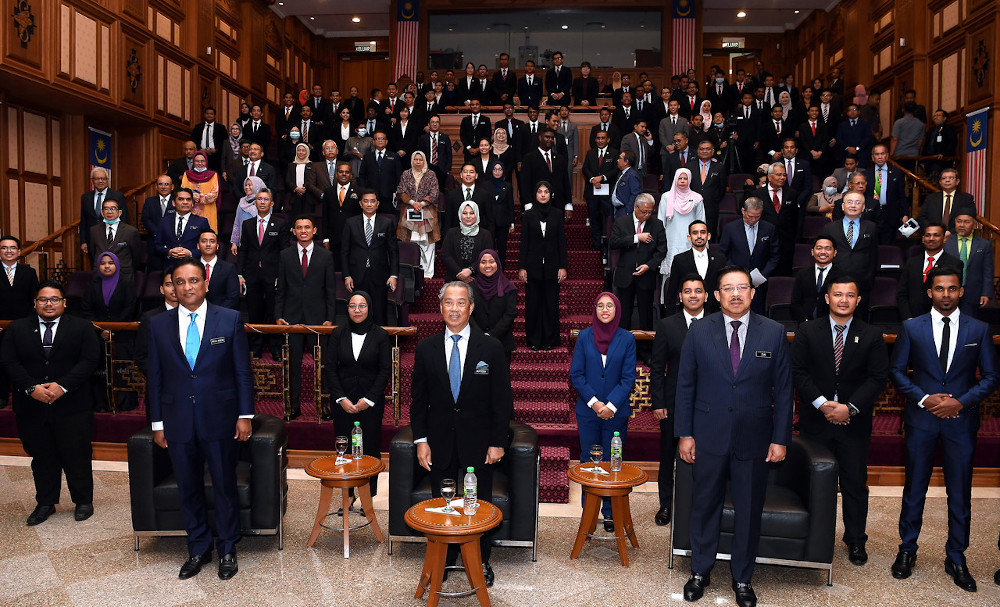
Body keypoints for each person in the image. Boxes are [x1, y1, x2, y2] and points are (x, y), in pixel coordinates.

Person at [675, 265, 793, 607]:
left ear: (753, 293)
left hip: (755, 439)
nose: (736, 293)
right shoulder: (698, 332)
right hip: (708, 436)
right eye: (729, 288)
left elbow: (784, 391)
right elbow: (685, 386)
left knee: (748, 509)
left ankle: (742, 578)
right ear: (717, 295)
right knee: (705, 505)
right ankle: (700, 571)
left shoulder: (773, 332)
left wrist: (780, 438)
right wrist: (685, 433)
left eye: (743, 287)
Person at [888, 265, 999, 592]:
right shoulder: (912, 327)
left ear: (961, 291)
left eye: (952, 289)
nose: (946, 295)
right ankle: (907, 550)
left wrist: (960, 402)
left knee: (960, 492)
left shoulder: (979, 330)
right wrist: (924, 399)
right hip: (921, 421)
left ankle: (956, 556)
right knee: (914, 488)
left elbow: (992, 376)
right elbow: (897, 372)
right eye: (940, 289)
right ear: (930, 292)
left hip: (961, 423)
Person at [147, 260, 254, 580]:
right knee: (188, 487)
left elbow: (242, 373)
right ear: (172, 288)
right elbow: (154, 378)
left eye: (194, 280)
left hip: (220, 418)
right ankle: (197, 548)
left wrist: (245, 415)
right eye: (179, 282)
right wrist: (157, 423)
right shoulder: (157, 324)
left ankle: (227, 548)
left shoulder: (230, 319)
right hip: (177, 420)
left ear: (205, 284)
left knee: (223, 484)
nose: (187, 287)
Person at [411, 281, 513, 588]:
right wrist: (421, 440)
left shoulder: (491, 347)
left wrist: (497, 442)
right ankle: (442, 559)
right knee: (441, 504)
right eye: (448, 303)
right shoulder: (426, 348)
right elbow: (418, 400)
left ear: (471, 307)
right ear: (440, 308)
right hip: (438, 441)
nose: (454, 309)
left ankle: (479, 561)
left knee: (478, 505)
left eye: (460, 303)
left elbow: (502, 400)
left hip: (479, 443)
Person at [792, 275, 889, 567]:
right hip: (815, 422)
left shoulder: (872, 335)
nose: (843, 300)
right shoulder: (808, 331)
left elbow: (878, 378)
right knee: (812, 480)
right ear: (827, 298)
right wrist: (823, 405)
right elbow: (798, 372)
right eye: (838, 294)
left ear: (858, 301)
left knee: (854, 484)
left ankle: (856, 540)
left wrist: (851, 407)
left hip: (854, 424)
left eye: (850, 295)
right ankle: (811, 534)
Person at [0, 280, 101, 525]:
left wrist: (63, 385)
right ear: (35, 303)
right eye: (43, 299)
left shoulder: (81, 327)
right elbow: (9, 362)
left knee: (76, 453)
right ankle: (46, 502)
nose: (49, 304)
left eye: (54, 299)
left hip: (73, 404)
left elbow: (90, 361)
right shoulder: (17, 329)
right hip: (32, 405)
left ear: (64, 303)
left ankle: (83, 501)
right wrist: (30, 387)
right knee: (42, 456)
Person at [570, 292, 637, 531]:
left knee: (612, 462)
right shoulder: (584, 337)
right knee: (589, 461)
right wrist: (596, 404)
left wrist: (610, 406)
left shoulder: (627, 338)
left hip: (616, 413)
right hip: (588, 412)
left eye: (610, 306)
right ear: (595, 309)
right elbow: (576, 375)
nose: (605, 309)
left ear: (617, 310)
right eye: (600, 305)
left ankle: (609, 513)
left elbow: (629, 377)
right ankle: (589, 513)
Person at [650, 273, 706, 526]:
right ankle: (666, 505)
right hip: (672, 404)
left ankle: (697, 505)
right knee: (667, 455)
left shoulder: (716, 324)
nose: (692, 295)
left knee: (704, 456)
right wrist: (658, 402)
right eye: (687, 291)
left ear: (706, 295)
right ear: (680, 296)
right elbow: (657, 367)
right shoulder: (667, 325)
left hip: (707, 405)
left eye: (697, 291)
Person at [325, 291, 391, 493]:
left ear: (369, 308)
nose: (357, 310)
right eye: (352, 306)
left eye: (362, 306)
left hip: (370, 403)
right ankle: (348, 493)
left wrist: (369, 399)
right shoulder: (338, 333)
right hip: (343, 402)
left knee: (370, 449)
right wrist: (341, 398)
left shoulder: (380, 335)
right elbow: (329, 367)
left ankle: (368, 495)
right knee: (344, 450)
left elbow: (385, 370)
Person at [275, 216, 336, 420]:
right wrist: (278, 316)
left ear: (314, 230)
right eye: (299, 227)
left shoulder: (325, 256)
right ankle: (293, 406)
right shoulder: (284, 255)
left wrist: (330, 318)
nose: (303, 231)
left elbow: (330, 290)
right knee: (292, 365)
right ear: (293, 231)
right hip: (291, 319)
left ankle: (324, 405)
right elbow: (281, 290)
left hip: (319, 320)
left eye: (307, 227)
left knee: (324, 365)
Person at [237, 188, 290, 359]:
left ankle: (275, 348)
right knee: (254, 312)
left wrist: (280, 276)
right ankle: (256, 348)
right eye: (259, 199)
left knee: (274, 312)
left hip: (273, 276)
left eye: (266, 199)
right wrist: (240, 273)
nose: (262, 202)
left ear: (272, 203)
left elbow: (284, 252)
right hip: (252, 275)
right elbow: (243, 250)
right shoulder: (248, 224)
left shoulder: (280, 224)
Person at [519, 181, 568, 351]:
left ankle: (549, 339)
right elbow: (524, 242)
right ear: (535, 194)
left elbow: (562, 242)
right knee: (533, 306)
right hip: (532, 268)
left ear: (550, 194)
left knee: (550, 305)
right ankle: (533, 340)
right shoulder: (529, 214)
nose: (543, 194)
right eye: (539, 191)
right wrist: (522, 267)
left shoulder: (557, 214)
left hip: (552, 268)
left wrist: (563, 266)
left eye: (546, 191)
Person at [610, 194, 666, 334]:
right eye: (644, 211)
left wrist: (649, 265)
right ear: (635, 207)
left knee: (646, 316)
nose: (647, 215)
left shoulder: (657, 224)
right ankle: (622, 347)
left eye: (650, 212)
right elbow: (613, 243)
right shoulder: (622, 222)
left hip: (646, 276)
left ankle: (645, 352)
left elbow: (662, 250)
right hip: (625, 275)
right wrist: (636, 238)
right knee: (623, 315)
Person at [341, 190, 398, 326]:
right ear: (360, 204)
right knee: (357, 314)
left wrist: (394, 275)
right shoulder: (350, 223)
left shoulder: (387, 223)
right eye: (366, 201)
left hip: (380, 275)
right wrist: (347, 275)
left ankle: (380, 345)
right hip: (357, 276)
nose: (369, 204)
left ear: (377, 204)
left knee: (379, 313)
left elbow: (393, 251)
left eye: (372, 201)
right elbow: (344, 252)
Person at [719, 198, 779, 314]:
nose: (753, 220)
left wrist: (762, 275)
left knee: (757, 314)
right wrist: (736, 273)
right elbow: (723, 254)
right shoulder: (730, 228)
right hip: (735, 280)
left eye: (757, 217)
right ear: (743, 211)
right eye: (750, 216)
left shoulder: (769, 229)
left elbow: (774, 256)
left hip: (759, 283)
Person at [821, 192, 879, 312]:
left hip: (862, 281)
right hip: (836, 279)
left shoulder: (871, 227)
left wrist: (869, 279)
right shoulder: (830, 228)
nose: (853, 205)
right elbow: (825, 255)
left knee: (860, 321)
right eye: (850, 202)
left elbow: (873, 255)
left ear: (863, 207)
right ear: (842, 206)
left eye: (858, 203)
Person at [897, 223, 963, 320]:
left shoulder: (954, 263)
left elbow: (955, 295)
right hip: (913, 319)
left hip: (942, 320)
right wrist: (908, 318)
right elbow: (902, 294)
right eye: (928, 235)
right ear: (923, 239)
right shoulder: (912, 262)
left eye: (936, 235)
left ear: (944, 239)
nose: (931, 238)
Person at [395, 150, 441, 278]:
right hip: (409, 212)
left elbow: (435, 193)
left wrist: (421, 204)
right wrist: (412, 203)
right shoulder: (406, 174)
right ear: (412, 161)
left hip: (427, 212)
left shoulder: (431, 174)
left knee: (427, 244)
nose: (418, 162)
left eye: (421, 159)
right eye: (416, 159)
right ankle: (413, 273)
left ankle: (427, 273)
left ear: (424, 160)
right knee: (411, 242)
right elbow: (400, 191)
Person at [664, 220, 724, 316]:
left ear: (708, 236)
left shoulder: (720, 259)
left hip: (714, 313)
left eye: (702, 232)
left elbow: (722, 288)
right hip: (687, 313)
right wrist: (670, 318)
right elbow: (672, 291)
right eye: (695, 233)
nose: (699, 236)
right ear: (689, 237)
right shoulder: (679, 259)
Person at [658, 169, 705, 284]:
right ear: (675, 179)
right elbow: (660, 221)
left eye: (685, 178)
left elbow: (701, 222)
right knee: (670, 274)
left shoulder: (697, 197)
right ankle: (667, 301)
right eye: (680, 178)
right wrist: (661, 242)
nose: (682, 181)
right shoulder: (666, 197)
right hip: (671, 240)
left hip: (690, 240)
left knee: (690, 273)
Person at [471, 249, 517, 365]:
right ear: (478, 265)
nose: (487, 265)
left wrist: (492, 335)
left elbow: (510, 314)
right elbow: (467, 314)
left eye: (491, 261)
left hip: (502, 342)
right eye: (483, 262)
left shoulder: (509, 288)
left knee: (500, 380)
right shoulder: (469, 288)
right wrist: (480, 335)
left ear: (497, 263)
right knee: (478, 380)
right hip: (476, 341)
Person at [945, 212, 994, 318]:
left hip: (973, 293)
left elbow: (988, 271)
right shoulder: (946, 242)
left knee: (969, 327)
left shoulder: (984, 245)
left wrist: (986, 293)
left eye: (966, 222)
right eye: (959, 221)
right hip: (949, 293)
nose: (962, 225)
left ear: (974, 225)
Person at [756, 162, 798, 276]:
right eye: (779, 174)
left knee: (784, 275)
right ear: (769, 176)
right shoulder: (758, 194)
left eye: (784, 175)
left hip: (786, 242)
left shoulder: (791, 193)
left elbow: (796, 217)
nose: (782, 177)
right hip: (765, 242)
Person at [154, 188, 210, 270]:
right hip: (170, 267)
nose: (185, 202)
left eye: (188, 199)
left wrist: (191, 253)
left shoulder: (202, 222)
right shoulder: (164, 222)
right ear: (173, 203)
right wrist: (169, 252)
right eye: (181, 199)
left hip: (193, 266)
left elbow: (207, 247)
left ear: (192, 203)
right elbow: (157, 245)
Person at [89, 197, 142, 283]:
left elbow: (136, 257)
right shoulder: (94, 231)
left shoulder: (131, 231)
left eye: (113, 208)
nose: (109, 212)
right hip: (100, 275)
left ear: (119, 212)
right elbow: (92, 253)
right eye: (106, 209)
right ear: (102, 212)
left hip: (124, 275)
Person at [582, 130, 619, 250]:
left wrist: (602, 178)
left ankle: (608, 246)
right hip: (592, 193)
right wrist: (593, 179)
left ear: (608, 139)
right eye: (598, 138)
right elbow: (585, 169)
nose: (600, 140)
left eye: (603, 138)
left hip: (607, 194)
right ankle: (596, 246)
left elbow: (616, 170)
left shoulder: (614, 153)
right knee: (594, 219)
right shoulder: (590, 153)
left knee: (609, 219)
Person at [79, 168, 128, 256]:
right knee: (95, 267)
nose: (100, 181)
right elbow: (83, 221)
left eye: (103, 178)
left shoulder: (118, 196)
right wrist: (83, 241)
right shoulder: (86, 197)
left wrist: (121, 240)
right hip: (92, 241)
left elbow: (124, 219)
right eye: (97, 179)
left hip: (112, 239)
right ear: (92, 181)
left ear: (108, 180)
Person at [442, 202, 494, 284]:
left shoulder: (485, 234)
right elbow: (446, 255)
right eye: (465, 213)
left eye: (472, 213)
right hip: (454, 278)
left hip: (478, 279)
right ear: (460, 214)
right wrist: (460, 274)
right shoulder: (451, 233)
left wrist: (471, 270)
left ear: (477, 214)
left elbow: (487, 256)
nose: (468, 216)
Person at [866, 144, 909, 244]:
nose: (880, 157)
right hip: (871, 214)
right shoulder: (866, 174)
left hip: (890, 214)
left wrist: (905, 214)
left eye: (882, 154)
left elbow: (902, 195)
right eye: (877, 154)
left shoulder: (896, 173)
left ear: (887, 156)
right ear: (873, 157)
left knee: (888, 244)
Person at [790, 236, 838, 323]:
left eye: (828, 249)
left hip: (832, 324)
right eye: (819, 248)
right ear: (812, 252)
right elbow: (795, 302)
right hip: (805, 324)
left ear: (835, 253)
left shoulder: (841, 276)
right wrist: (805, 321)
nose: (823, 252)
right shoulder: (802, 274)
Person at [916, 168, 977, 233]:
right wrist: (934, 231)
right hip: (934, 237)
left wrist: (951, 233)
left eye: (951, 178)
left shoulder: (966, 198)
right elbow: (921, 218)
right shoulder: (930, 198)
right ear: (940, 182)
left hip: (957, 237)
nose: (947, 180)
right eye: (944, 178)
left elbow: (970, 218)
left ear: (957, 181)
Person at [358, 131, 403, 215]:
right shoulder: (367, 157)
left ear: (386, 141)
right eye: (377, 139)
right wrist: (364, 191)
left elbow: (399, 175)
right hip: (371, 196)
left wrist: (397, 192)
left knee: (388, 220)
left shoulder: (394, 156)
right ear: (373, 141)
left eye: (382, 138)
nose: (380, 140)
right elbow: (362, 175)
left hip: (389, 195)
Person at [688, 140, 727, 234]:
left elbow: (722, 188)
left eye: (707, 149)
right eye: (702, 149)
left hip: (711, 207)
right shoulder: (689, 166)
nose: (704, 151)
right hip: (691, 207)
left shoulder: (719, 168)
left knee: (709, 233)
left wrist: (713, 198)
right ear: (698, 151)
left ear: (713, 151)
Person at [196, 229, 239, 310]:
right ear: (198, 246)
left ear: (217, 246)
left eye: (212, 241)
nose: (208, 244)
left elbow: (233, 298)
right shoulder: (191, 267)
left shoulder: (229, 268)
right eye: (204, 241)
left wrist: (216, 313)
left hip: (221, 314)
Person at [141, 175, 176, 271]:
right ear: (156, 187)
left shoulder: (177, 202)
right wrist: (159, 234)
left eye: (166, 184)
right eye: (160, 184)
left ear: (172, 187)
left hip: (172, 246)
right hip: (154, 245)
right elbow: (145, 220)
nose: (163, 187)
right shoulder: (149, 201)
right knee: (155, 276)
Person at [181, 150, 220, 232]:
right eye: (197, 161)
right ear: (193, 162)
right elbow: (182, 192)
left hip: (208, 211)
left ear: (206, 162)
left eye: (202, 161)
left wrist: (198, 197)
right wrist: (192, 196)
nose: (200, 163)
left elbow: (214, 195)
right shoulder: (187, 174)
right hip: (190, 211)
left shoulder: (213, 175)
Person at [485, 161, 514, 267]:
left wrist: (512, 223)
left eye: (500, 169)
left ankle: (501, 269)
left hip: (503, 222)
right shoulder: (486, 185)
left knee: (502, 248)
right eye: (495, 169)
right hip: (489, 222)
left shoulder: (508, 186)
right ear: (491, 171)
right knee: (489, 247)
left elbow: (510, 205)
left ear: (503, 171)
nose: (497, 172)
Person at [230, 177, 264, 256]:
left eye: (250, 185)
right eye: (245, 185)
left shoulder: (264, 202)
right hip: (244, 241)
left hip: (260, 242)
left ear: (257, 186)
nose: (247, 187)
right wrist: (234, 243)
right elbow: (237, 222)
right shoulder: (242, 202)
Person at [610, 150, 642, 218]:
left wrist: (628, 211)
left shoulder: (632, 175)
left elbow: (635, 194)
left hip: (624, 211)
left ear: (626, 161)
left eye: (620, 158)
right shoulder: (622, 173)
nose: (617, 160)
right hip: (618, 210)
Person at [285, 142, 314, 215]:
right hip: (294, 196)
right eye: (299, 150)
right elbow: (288, 180)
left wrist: (304, 188)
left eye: (303, 150)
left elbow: (312, 180)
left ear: (307, 152)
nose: (301, 152)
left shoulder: (312, 165)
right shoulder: (291, 165)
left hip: (308, 196)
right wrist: (296, 188)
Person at [220, 124, 245, 192]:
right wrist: (223, 171)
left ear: (240, 131)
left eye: (237, 129)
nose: (235, 130)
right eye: (233, 129)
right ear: (230, 131)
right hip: (230, 170)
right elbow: (223, 157)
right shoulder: (226, 142)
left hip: (241, 168)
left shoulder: (243, 142)